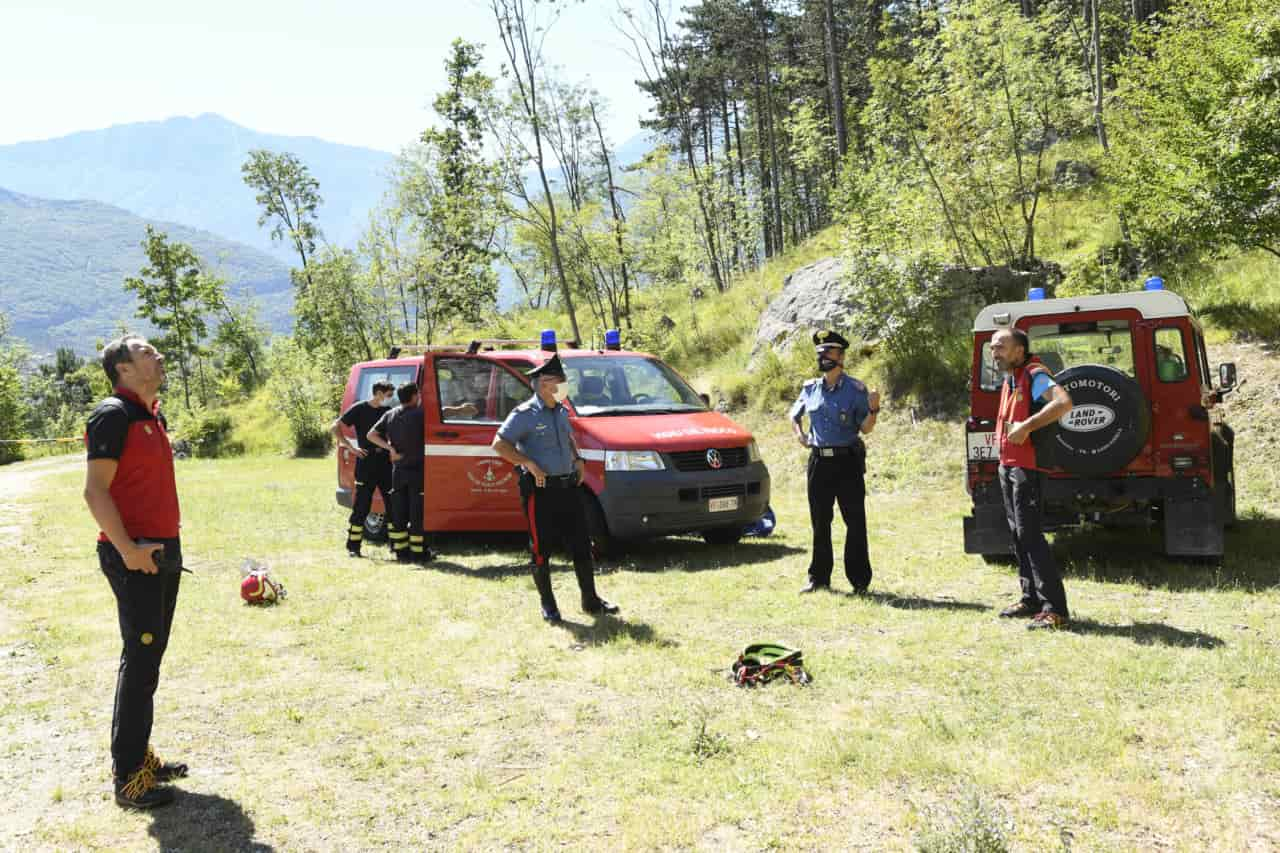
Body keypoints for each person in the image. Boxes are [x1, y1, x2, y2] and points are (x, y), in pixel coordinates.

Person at [82, 335, 189, 809]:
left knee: (151, 658)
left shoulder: (151, 414)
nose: (158, 355)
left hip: (162, 550)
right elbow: (95, 492)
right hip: (136, 556)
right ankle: (128, 776)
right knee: (140, 658)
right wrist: (128, 550)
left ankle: (141, 757)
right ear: (123, 368)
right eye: (146, 352)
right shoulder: (114, 415)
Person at [492, 353, 619, 623]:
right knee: (541, 549)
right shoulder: (524, 414)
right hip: (540, 490)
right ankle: (548, 605)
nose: (563, 385)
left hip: (568, 486)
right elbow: (499, 445)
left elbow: (568, 436)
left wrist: (578, 459)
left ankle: (591, 601)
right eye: (559, 381)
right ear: (543, 383)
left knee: (582, 544)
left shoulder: (561, 410)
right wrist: (528, 463)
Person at [990, 327, 1075, 630]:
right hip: (1009, 466)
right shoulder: (1011, 378)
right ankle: (1031, 599)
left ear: (1019, 350)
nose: (994, 352)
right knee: (1017, 534)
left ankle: (1055, 610)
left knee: (1030, 535)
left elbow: (1063, 402)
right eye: (992, 347)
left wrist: (1027, 425)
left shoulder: (1035, 374)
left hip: (1029, 467)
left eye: (1000, 347)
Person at [789, 329, 880, 595]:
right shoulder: (810, 388)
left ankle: (860, 581)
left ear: (841, 357)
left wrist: (873, 409)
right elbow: (794, 415)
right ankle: (818, 578)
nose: (822, 357)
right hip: (819, 463)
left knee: (855, 521)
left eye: (827, 353)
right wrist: (800, 436)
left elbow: (866, 428)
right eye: (819, 353)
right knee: (820, 521)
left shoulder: (855, 390)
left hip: (847, 462)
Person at [368, 383, 432, 563]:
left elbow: (371, 435)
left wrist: (391, 449)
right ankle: (419, 554)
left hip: (398, 472)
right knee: (417, 513)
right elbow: (442, 416)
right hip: (417, 471)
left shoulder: (390, 414)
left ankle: (401, 553)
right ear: (413, 396)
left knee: (399, 513)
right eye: (418, 394)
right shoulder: (421, 414)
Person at [331, 381, 395, 557]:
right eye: (389, 394)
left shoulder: (386, 411)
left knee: (392, 504)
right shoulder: (359, 408)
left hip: (384, 462)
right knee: (362, 506)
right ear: (379, 393)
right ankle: (353, 547)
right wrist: (351, 448)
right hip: (366, 462)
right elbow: (335, 427)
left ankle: (396, 545)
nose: (391, 398)